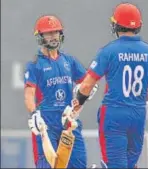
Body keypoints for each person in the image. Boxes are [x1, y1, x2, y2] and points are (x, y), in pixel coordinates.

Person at [69, 3, 148, 168]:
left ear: (116, 25)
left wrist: (77, 104)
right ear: (138, 26)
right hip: (138, 114)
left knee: (113, 164)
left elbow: (86, 86)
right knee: (130, 164)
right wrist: (142, 98)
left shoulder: (109, 51)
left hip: (114, 114)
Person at [23, 15, 97, 168]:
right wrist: (34, 114)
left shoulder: (69, 61)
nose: (53, 36)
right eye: (49, 33)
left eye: (56, 32)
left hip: (68, 120)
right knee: (47, 165)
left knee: (78, 165)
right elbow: (29, 94)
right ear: (40, 36)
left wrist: (84, 93)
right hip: (46, 122)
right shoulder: (35, 65)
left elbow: (89, 83)